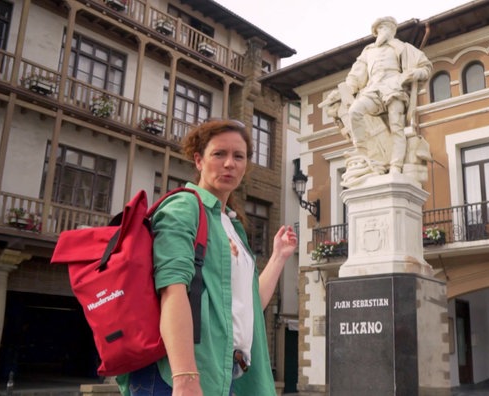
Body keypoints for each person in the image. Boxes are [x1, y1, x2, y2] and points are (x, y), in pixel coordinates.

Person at [116, 119, 297, 396]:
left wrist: (278, 258)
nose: (229, 164)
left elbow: (247, 305)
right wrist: (185, 378)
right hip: (177, 375)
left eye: (239, 156)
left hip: (222, 372)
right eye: (219, 154)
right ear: (199, 160)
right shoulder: (184, 206)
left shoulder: (232, 225)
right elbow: (172, 291)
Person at [320, 17, 432, 187]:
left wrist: (415, 74)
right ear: (376, 31)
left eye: (387, 27)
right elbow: (355, 77)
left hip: (395, 86)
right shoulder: (368, 51)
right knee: (354, 111)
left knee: (397, 127)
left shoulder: (404, 48)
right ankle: (363, 150)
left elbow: (426, 67)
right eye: (380, 28)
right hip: (373, 89)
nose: (384, 31)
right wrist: (341, 93)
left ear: (393, 30)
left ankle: (395, 165)